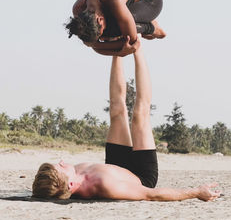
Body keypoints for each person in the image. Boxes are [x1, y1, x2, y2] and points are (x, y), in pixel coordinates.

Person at [32, 39, 221, 201]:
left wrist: (116, 48)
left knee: (116, 109)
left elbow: (49, 190)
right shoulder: (105, 185)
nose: (63, 161)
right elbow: (151, 195)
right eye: (61, 166)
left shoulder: (70, 178)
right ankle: (138, 48)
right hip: (140, 175)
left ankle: (118, 49)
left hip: (115, 166)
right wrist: (196, 192)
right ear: (71, 184)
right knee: (140, 114)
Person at [65, 0, 167, 57]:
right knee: (110, 32)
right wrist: (117, 52)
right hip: (123, 8)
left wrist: (96, 46)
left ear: (100, 19)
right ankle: (135, 23)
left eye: (101, 34)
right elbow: (91, 41)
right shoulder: (78, 10)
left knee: (114, 30)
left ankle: (152, 28)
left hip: (150, 0)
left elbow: (132, 42)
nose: (103, 38)